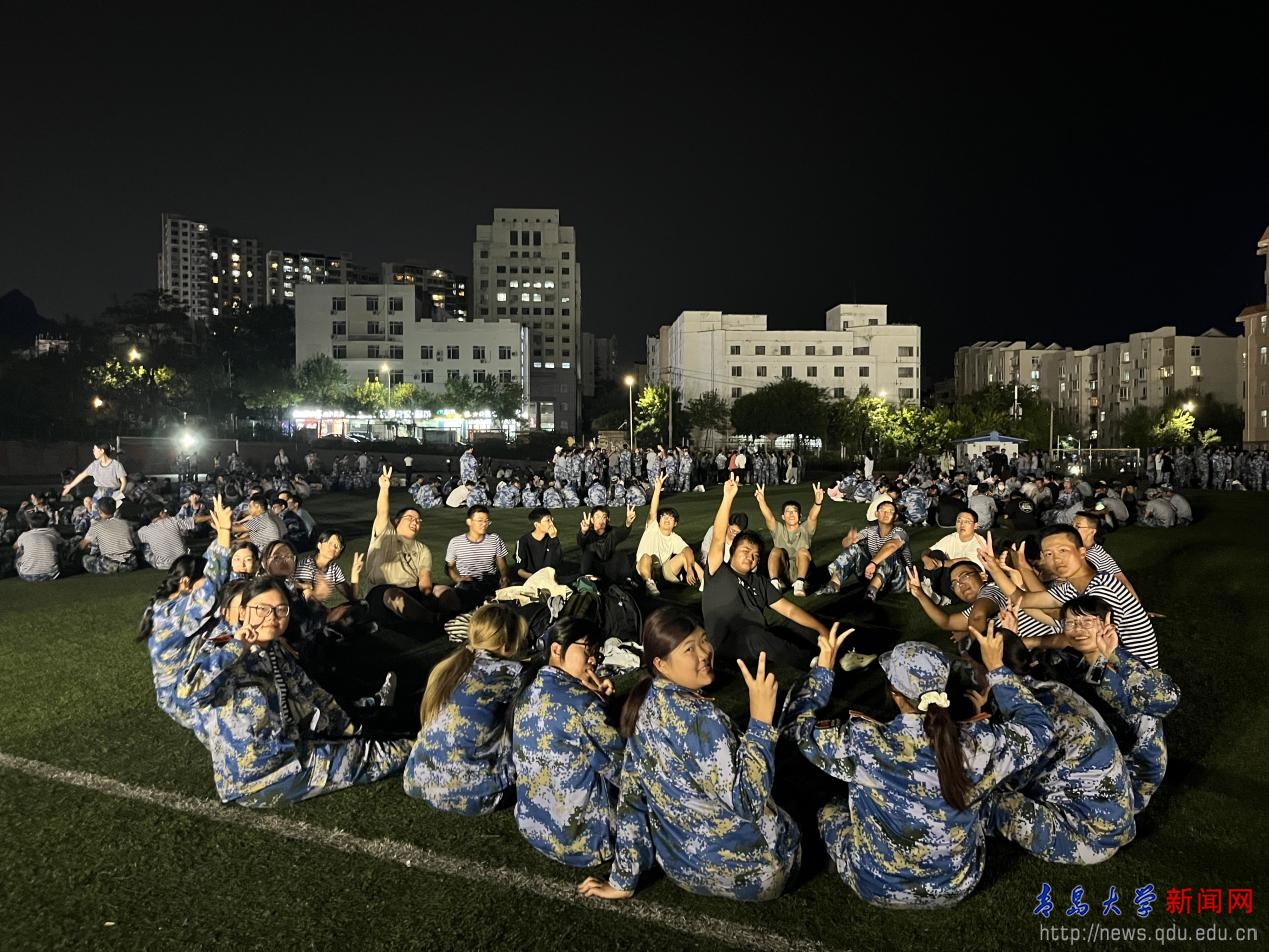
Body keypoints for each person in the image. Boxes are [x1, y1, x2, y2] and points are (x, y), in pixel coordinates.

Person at [787, 627, 1054, 908]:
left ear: (895, 693)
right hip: (957, 886)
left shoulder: (864, 742)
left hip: (877, 888)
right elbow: (1039, 728)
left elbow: (796, 728)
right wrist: (997, 670)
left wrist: (823, 671)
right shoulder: (980, 742)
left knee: (829, 811)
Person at [578, 608, 801, 902]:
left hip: (683, 869)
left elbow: (632, 796)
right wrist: (760, 723)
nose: (704, 653)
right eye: (689, 649)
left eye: (704, 640)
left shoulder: (643, 705)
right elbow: (748, 803)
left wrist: (622, 881)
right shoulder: (703, 719)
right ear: (661, 663)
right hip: (755, 876)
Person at [177, 576, 413, 807]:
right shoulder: (222, 646)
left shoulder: (274, 648)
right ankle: (420, 749)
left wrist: (354, 728)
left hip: (291, 748)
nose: (272, 617)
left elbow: (312, 694)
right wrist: (237, 647)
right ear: (242, 612)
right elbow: (187, 695)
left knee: (364, 740)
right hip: (258, 777)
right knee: (372, 756)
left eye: (281, 610)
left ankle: (394, 733)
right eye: (262, 609)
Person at [966, 620, 1135, 865]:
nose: (969, 676)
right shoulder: (1045, 688)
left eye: (973, 669)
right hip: (1109, 819)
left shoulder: (1042, 720)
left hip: (1087, 836)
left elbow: (1001, 774)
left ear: (989, 671)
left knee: (974, 804)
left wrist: (973, 722)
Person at [512, 617, 625, 867]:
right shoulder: (583, 706)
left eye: (596, 653)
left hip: (534, 827)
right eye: (587, 650)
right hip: (584, 842)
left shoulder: (528, 691)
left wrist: (598, 702)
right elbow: (625, 772)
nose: (594, 660)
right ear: (556, 649)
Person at [403, 602, 528, 815]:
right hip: (478, 795)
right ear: (507, 645)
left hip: (422, 784)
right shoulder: (512, 673)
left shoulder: (447, 668)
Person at [1057, 596, 1179, 813]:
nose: (1078, 629)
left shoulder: (1123, 667)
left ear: (1107, 623)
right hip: (1097, 761)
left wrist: (1114, 653)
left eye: (1087, 621)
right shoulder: (1075, 664)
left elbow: (1166, 700)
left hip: (1129, 776)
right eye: (1071, 622)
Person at [702, 475, 835, 670]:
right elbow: (718, 538)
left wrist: (822, 630)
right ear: (733, 551)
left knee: (794, 624)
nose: (750, 557)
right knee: (754, 635)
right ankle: (812, 663)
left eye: (755, 555)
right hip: (728, 645)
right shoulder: (718, 571)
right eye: (745, 551)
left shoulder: (759, 582)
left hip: (759, 636)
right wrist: (728, 497)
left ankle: (839, 652)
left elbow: (789, 610)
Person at [978, 526, 1159, 668]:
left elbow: (1077, 639)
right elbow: (1022, 599)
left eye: (1063, 550)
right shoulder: (1072, 587)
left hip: (1133, 673)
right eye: (1049, 554)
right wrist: (994, 567)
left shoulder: (1102, 588)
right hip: (1106, 662)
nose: (1057, 559)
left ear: (1082, 552)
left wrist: (1026, 642)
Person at [363, 466, 459, 633]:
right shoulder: (386, 535)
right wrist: (384, 489)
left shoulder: (423, 549)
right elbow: (382, 513)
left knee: (445, 591)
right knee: (394, 595)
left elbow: (424, 577)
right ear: (397, 521)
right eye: (410, 518)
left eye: (418, 520)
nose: (415, 522)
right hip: (383, 591)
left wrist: (428, 594)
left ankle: (455, 618)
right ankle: (434, 620)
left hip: (412, 590)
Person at [817, 498, 912, 602]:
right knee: (854, 548)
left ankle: (871, 592)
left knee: (890, 553)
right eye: (882, 510)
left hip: (896, 581)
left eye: (890, 511)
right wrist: (849, 540)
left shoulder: (900, 532)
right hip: (871, 574)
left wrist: (873, 563)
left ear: (896, 517)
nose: (886, 514)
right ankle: (834, 585)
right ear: (876, 514)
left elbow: (892, 545)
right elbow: (846, 544)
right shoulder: (870, 530)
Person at [753, 481, 825, 597]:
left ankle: (799, 584)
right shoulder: (778, 529)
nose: (791, 514)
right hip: (785, 574)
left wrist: (817, 502)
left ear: (800, 516)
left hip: (803, 575)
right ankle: (775, 583)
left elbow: (812, 517)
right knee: (775, 551)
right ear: (783, 516)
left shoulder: (805, 529)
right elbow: (769, 517)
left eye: (794, 511)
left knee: (803, 551)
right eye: (788, 511)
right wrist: (761, 501)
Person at [634, 473, 699, 596]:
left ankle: (700, 580)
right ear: (659, 520)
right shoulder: (652, 528)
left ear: (675, 523)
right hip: (646, 568)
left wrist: (690, 569)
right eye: (664, 517)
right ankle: (649, 584)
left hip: (663, 572)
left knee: (685, 555)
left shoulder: (675, 538)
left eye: (671, 518)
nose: (667, 520)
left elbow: (687, 550)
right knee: (646, 557)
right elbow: (653, 511)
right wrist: (657, 490)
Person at [445, 504, 511, 611]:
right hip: (467, 584)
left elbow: (502, 564)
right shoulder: (456, 542)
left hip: (489, 582)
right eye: (480, 521)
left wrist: (504, 578)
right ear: (469, 522)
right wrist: (457, 579)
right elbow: (449, 567)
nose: (484, 524)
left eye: (486, 521)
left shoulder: (494, 539)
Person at [577, 504, 638, 586]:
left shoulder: (612, 532)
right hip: (593, 569)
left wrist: (628, 522)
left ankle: (626, 580)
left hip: (609, 568)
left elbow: (622, 532)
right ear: (592, 520)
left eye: (604, 517)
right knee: (588, 554)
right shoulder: (588, 534)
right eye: (597, 517)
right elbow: (581, 541)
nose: (601, 520)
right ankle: (587, 580)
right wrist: (583, 531)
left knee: (621, 555)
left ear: (608, 519)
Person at [77, 497, 139, 574]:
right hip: (131, 564)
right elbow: (135, 542)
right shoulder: (126, 523)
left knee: (85, 558)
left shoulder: (96, 525)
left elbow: (82, 545)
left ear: (99, 510)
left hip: (110, 565)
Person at [62, 442, 128, 503]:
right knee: (92, 508)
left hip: (113, 492)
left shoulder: (116, 465)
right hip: (100, 492)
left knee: (108, 511)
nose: (93, 451)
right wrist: (70, 486)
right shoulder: (95, 465)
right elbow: (82, 475)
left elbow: (124, 482)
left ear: (102, 451)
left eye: (95, 449)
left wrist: (118, 495)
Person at [514, 506, 564, 582]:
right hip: (529, 580)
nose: (551, 523)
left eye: (551, 519)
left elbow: (557, 562)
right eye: (548, 520)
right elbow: (519, 569)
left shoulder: (551, 539)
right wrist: (535, 577)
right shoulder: (523, 542)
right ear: (536, 524)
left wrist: (554, 539)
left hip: (549, 579)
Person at [13, 509, 64, 581]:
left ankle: (19, 568)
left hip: (27, 575)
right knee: (58, 546)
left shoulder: (24, 535)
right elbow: (62, 543)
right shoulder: (53, 532)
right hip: (52, 574)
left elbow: (14, 547)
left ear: (30, 524)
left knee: (19, 549)